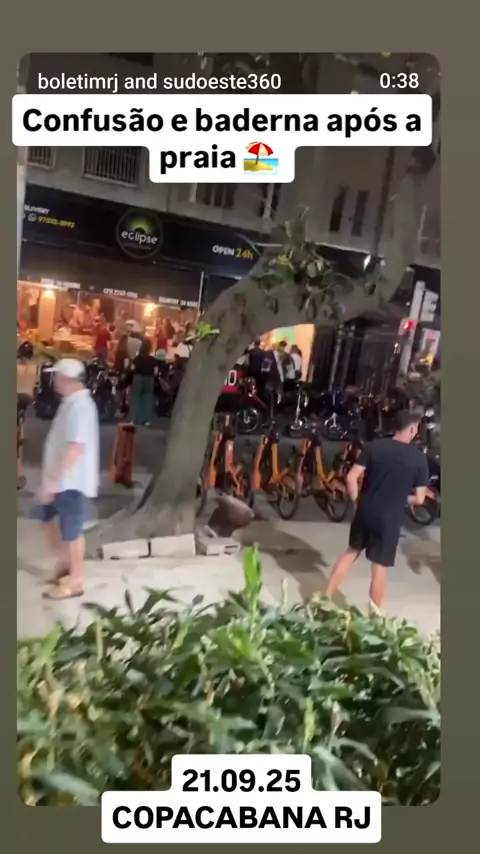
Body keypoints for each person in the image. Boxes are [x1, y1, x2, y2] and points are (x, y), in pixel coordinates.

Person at [324, 409, 429, 613]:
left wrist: (356, 500)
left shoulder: (375, 447)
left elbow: (351, 477)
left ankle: (326, 595)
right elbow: (420, 499)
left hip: (366, 510)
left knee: (351, 552)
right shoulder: (418, 459)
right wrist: (401, 498)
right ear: (412, 430)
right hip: (389, 518)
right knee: (379, 567)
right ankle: (375, 615)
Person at [36, 359, 99, 600]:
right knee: (45, 518)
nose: (54, 381)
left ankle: (76, 580)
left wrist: (53, 481)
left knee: (72, 530)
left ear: (67, 379)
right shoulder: (70, 403)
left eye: (57, 376)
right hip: (60, 479)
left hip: (71, 481)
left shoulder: (80, 407)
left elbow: (75, 448)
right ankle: (65, 564)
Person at [130, 337, 158, 426]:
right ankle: (147, 420)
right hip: (149, 378)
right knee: (148, 398)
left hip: (138, 378)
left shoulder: (137, 358)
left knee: (136, 398)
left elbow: (132, 368)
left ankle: (134, 419)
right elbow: (155, 372)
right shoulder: (153, 359)